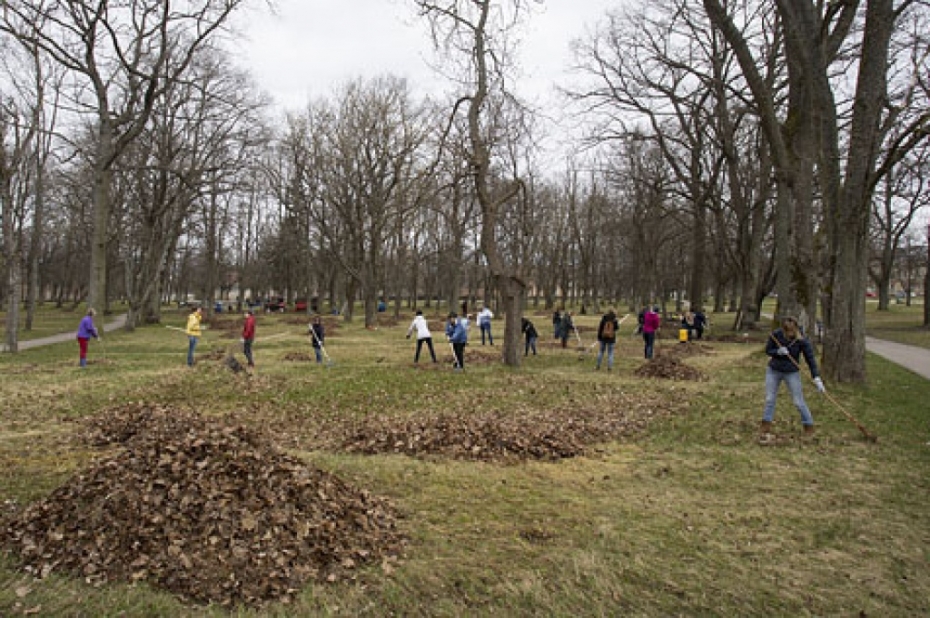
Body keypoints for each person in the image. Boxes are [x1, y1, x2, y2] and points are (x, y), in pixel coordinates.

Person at [760, 315, 825, 441]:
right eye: (786, 331)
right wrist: (777, 352)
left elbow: (810, 359)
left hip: (791, 372)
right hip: (774, 370)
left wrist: (816, 378)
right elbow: (768, 350)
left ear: (795, 329)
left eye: (791, 331)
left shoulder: (802, 340)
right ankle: (765, 425)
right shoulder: (776, 335)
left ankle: (808, 425)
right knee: (769, 399)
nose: (788, 334)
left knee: (798, 401)